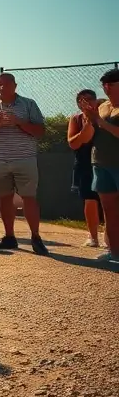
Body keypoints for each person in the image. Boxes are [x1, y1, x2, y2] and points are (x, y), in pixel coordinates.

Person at [0, 73, 48, 255]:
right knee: (4, 197)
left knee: (29, 197)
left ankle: (36, 237)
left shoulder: (29, 104)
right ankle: (9, 237)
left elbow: (40, 130)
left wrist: (19, 122)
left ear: (15, 86)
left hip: (25, 158)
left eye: (6, 84)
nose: (2, 88)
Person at [72, 69, 119, 263]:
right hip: (100, 164)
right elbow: (88, 136)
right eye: (104, 85)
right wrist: (89, 120)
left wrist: (99, 121)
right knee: (109, 212)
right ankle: (114, 253)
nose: (107, 88)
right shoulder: (102, 106)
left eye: (111, 84)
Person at [67, 89, 101, 248]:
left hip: (106, 161)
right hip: (85, 163)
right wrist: (86, 124)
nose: (87, 102)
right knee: (90, 199)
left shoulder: (105, 115)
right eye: (82, 100)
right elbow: (73, 143)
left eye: (90, 98)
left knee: (110, 199)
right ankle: (93, 237)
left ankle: (111, 238)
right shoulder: (76, 119)